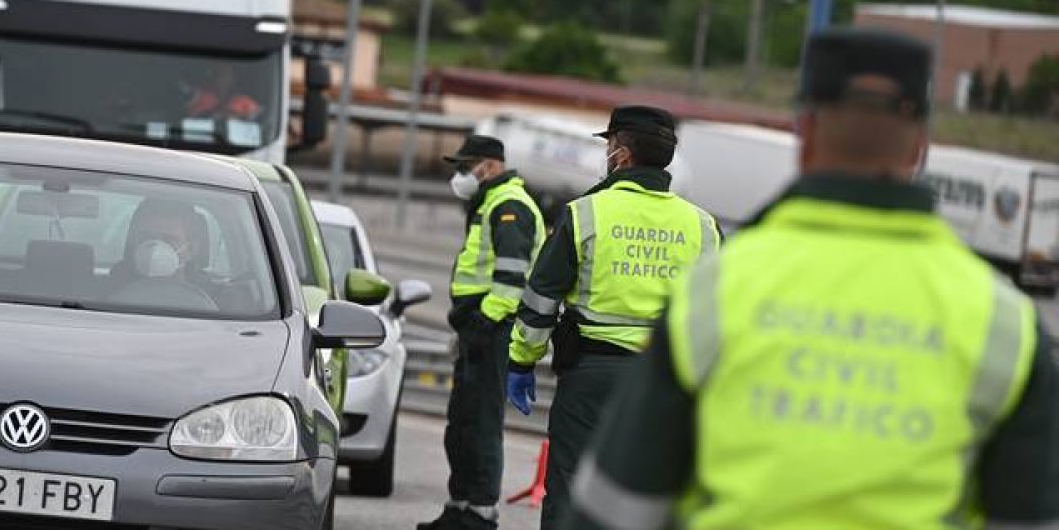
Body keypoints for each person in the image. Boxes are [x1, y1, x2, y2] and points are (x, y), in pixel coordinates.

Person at [562, 27, 1059, 530]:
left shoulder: (717, 292)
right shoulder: (1005, 322)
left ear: (806, 130)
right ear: (919, 147)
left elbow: (616, 509)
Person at [506, 105, 720, 529]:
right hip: (666, 381)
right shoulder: (703, 226)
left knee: (570, 484)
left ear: (621, 153)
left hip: (592, 375)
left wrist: (521, 360)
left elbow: (541, 299)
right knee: (654, 495)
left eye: (608, 144)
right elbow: (716, 314)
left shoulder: (585, 213)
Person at [418, 135, 546, 530]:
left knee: (482, 422)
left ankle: (481, 512)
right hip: (478, 326)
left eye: (465, 166)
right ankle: (460, 506)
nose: (460, 175)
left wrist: (484, 321)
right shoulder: (491, 203)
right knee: (463, 422)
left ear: (488, 166)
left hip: (492, 328)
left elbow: (512, 279)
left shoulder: (509, 206)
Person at [186, 64, 262, 120]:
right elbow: (190, 119)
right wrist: (210, 115)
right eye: (218, 73)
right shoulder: (200, 98)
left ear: (233, 78)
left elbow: (255, 120)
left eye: (225, 74)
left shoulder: (245, 102)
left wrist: (232, 116)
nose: (221, 78)